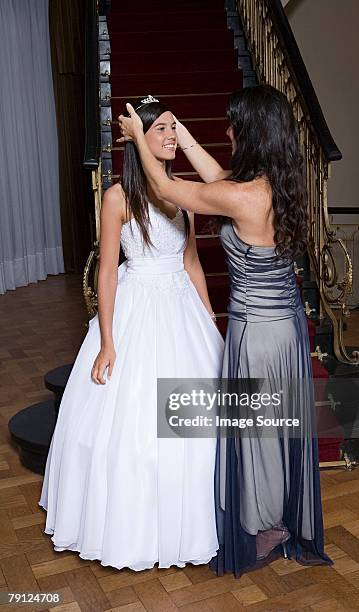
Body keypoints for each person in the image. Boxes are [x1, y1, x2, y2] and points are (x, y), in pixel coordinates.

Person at [117, 84, 333, 577]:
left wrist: (136, 137)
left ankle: (263, 527)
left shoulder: (241, 196)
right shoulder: (271, 185)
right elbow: (216, 179)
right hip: (286, 329)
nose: (228, 132)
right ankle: (277, 521)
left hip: (256, 335)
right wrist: (181, 131)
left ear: (253, 133)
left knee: (256, 434)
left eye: (234, 125)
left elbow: (172, 189)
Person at [38, 96, 225, 572]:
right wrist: (107, 340)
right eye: (161, 128)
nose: (170, 137)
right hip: (137, 305)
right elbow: (107, 271)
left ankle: (202, 522)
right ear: (139, 136)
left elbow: (192, 262)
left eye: (173, 129)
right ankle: (136, 528)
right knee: (133, 427)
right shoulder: (118, 196)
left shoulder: (181, 193)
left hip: (181, 306)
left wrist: (207, 317)